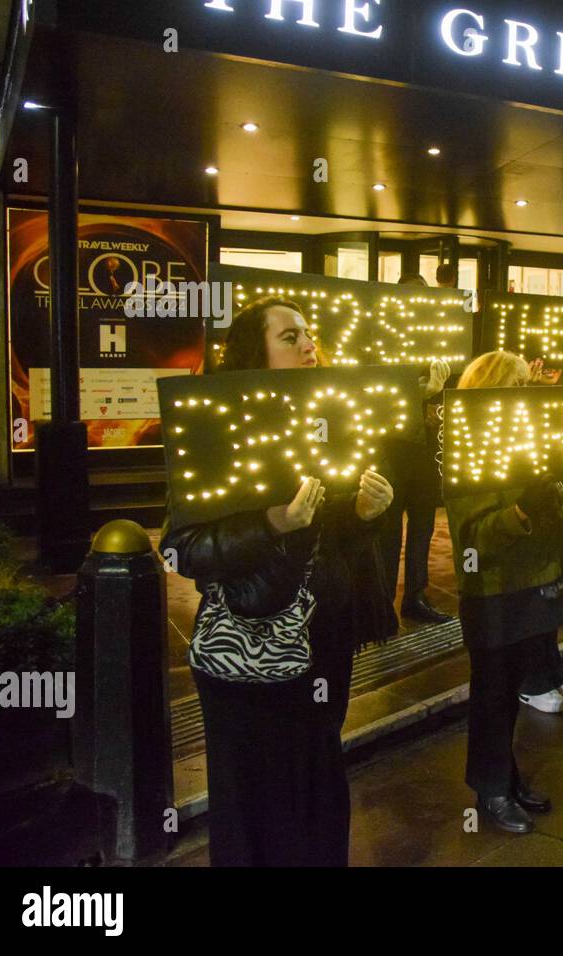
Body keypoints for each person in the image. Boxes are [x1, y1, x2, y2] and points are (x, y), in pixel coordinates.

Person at [162, 296, 397, 865]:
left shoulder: (330, 420)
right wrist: (272, 523)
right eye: (289, 337)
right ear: (254, 350)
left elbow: (329, 534)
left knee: (318, 778)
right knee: (251, 796)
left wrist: (364, 514)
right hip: (249, 648)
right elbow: (180, 550)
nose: (309, 345)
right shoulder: (215, 430)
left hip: (324, 641)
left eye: (309, 334)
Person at [444, 351, 563, 832]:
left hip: (535, 586)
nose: (533, 390)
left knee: (509, 692)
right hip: (496, 594)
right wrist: (520, 513)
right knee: (492, 695)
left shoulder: (532, 438)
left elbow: (558, 511)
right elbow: (473, 540)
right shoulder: (470, 445)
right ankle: (490, 788)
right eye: (522, 383)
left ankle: (507, 774)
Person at [379, 359, 454, 626]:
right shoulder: (387, 368)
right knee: (389, 535)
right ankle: (384, 604)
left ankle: (415, 597)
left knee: (423, 529)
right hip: (392, 460)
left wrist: (436, 418)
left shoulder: (446, 365)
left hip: (426, 460)